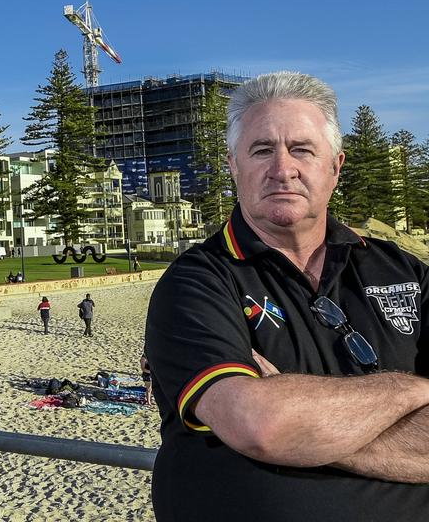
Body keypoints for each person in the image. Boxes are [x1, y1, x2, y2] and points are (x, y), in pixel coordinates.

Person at [145, 71, 429, 520]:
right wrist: (414, 389)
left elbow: (282, 427)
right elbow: (262, 425)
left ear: (335, 166)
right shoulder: (196, 282)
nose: (283, 169)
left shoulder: (405, 271)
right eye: (261, 150)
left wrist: (304, 427)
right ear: (233, 165)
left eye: (301, 149)